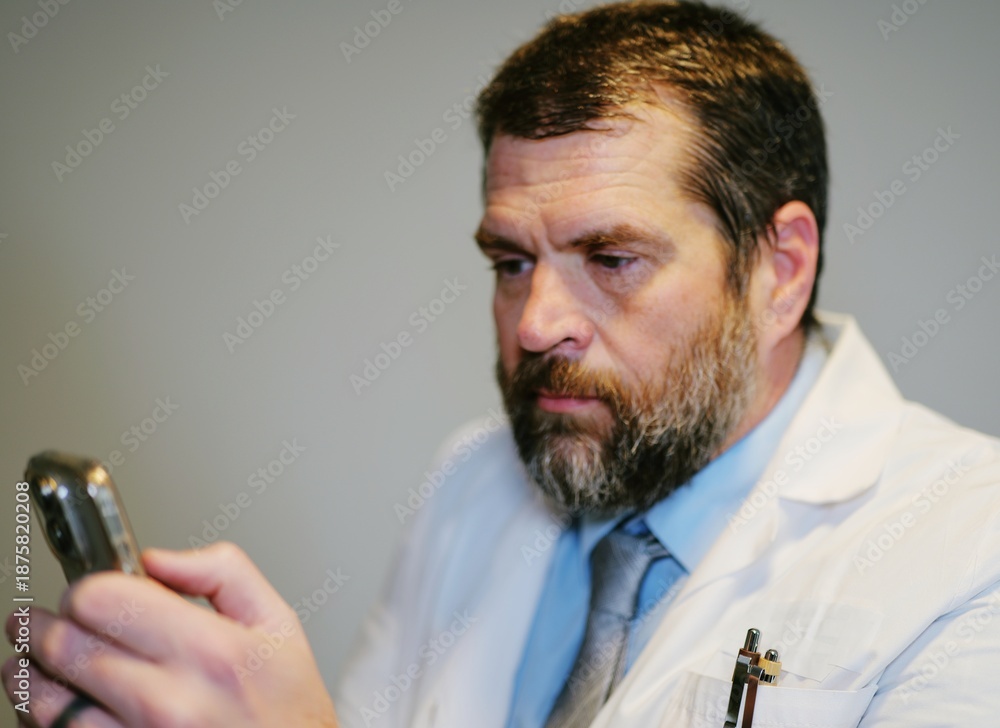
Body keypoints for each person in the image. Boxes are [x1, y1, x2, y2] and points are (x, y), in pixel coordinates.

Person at [4, 2, 999, 727]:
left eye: (611, 258)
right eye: (511, 262)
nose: (535, 323)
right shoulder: (471, 484)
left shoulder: (968, 555)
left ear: (779, 271)